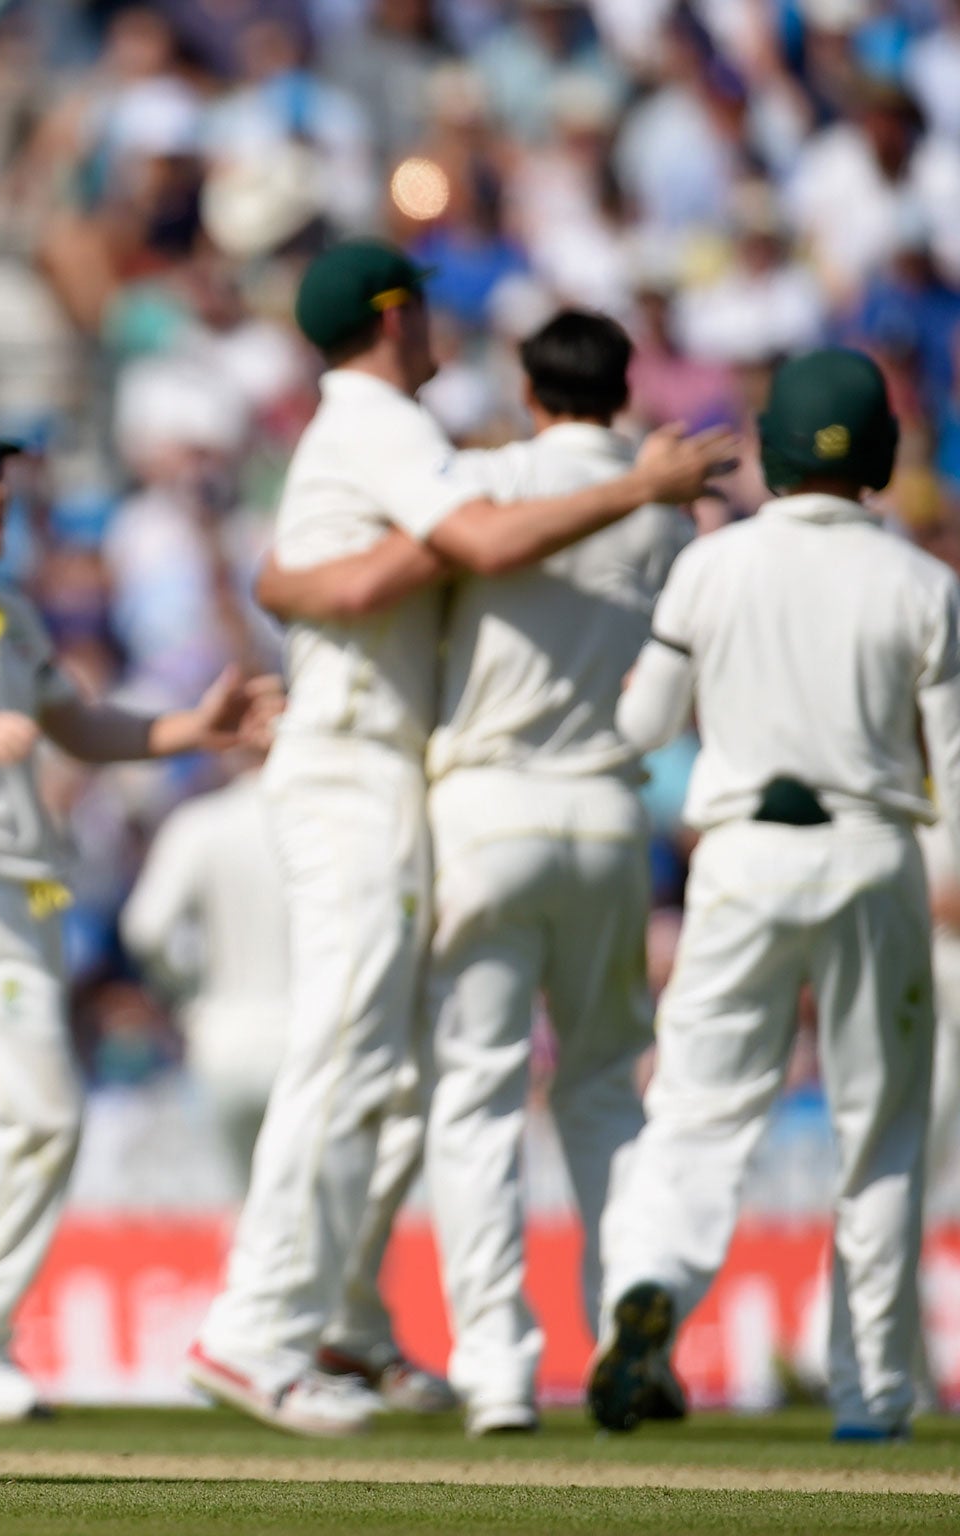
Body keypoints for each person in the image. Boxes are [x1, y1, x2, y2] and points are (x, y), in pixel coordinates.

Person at [189, 239, 729, 1438]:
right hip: (365, 770)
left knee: (388, 1075)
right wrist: (639, 491)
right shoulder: (381, 420)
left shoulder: (384, 432)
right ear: (392, 318)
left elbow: (412, 546)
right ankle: (249, 1329)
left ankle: (344, 1327)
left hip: (414, 781)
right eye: (424, 310)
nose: (439, 329)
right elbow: (479, 541)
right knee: (345, 1057)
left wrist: (307, 584)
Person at [0, 410, 270, 1425]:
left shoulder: (1, 609)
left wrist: (182, 731)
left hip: (18, 890)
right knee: (40, 1111)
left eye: (3, 474)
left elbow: (72, 723)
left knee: (1, 1116)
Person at [594, 348, 960, 1444]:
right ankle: (870, 1396)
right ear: (880, 461)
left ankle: (649, 1280)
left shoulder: (712, 567)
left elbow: (640, 728)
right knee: (878, 1133)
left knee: (697, 1105)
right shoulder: (921, 583)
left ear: (771, 450)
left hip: (742, 855)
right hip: (871, 855)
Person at [420, 310, 689, 1436]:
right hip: (605, 813)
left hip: (485, 806)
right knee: (600, 1084)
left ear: (529, 390)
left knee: (478, 1093)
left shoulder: (486, 479)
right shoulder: (659, 507)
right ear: (621, 390)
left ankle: (496, 1367)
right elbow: (662, 689)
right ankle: (632, 1332)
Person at [120, 745, 455, 1415]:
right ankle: (295, 1352)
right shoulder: (336, 820)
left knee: (257, 1206)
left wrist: (193, 993)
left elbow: (146, 927)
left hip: (222, 1040)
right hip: (313, 1035)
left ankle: (287, 1349)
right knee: (322, 1205)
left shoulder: (200, 821)